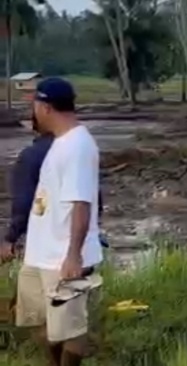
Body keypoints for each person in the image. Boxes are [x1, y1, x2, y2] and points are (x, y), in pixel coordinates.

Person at [13, 77, 103, 366]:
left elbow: (82, 203)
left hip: (63, 257)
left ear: (46, 107)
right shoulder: (61, 142)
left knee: (70, 327)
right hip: (41, 254)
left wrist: (73, 255)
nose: (34, 111)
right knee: (44, 325)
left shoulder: (78, 146)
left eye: (36, 105)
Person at [1, 117, 106, 264]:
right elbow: (95, 200)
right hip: (81, 247)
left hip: (47, 250)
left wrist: (11, 238)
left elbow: (27, 203)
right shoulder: (79, 150)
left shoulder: (31, 156)